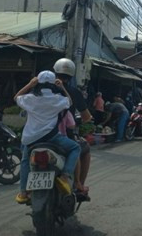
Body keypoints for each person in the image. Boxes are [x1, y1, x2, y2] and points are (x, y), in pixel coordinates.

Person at [14, 71, 81, 204]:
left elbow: (16, 97)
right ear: (54, 83)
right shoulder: (57, 98)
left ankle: (23, 192)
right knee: (76, 147)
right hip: (52, 138)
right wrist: (62, 87)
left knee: (25, 161)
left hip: (31, 140)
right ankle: (65, 176)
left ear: (37, 83)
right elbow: (70, 101)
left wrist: (29, 84)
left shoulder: (30, 98)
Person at [53, 58, 93, 197]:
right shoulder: (73, 92)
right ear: (71, 75)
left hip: (38, 134)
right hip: (64, 134)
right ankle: (78, 184)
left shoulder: (42, 90)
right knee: (83, 148)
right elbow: (87, 117)